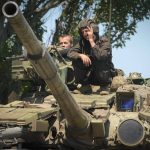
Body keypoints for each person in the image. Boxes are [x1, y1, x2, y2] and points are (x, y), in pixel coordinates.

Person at [67, 19, 116, 95]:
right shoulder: (82, 43)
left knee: (99, 60)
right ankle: (85, 86)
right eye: (82, 32)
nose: (85, 34)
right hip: (90, 76)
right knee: (77, 59)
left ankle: (104, 87)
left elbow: (101, 56)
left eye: (86, 31)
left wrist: (91, 40)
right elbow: (70, 53)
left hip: (103, 76)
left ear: (94, 30)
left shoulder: (104, 42)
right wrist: (80, 55)